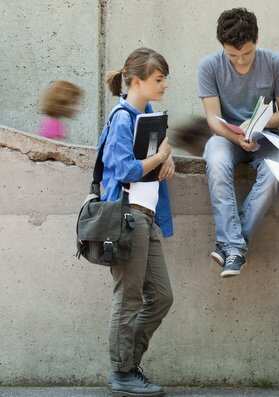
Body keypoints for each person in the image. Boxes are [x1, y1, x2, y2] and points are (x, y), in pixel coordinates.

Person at [99, 47, 176, 397]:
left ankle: (129, 364)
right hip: (127, 217)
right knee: (128, 297)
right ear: (137, 80)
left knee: (160, 296)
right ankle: (122, 371)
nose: (163, 86)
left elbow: (149, 167)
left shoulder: (149, 116)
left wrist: (166, 163)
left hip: (147, 216)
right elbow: (122, 168)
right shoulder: (122, 117)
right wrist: (159, 157)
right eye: (158, 80)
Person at [197, 7, 279, 277]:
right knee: (215, 161)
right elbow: (214, 119)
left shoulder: (276, 64)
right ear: (222, 47)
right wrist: (237, 136)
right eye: (233, 56)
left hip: (267, 138)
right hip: (226, 138)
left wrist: (258, 126)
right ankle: (236, 247)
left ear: (257, 41)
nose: (240, 62)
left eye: (247, 54)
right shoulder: (209, 67)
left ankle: (230, 246)